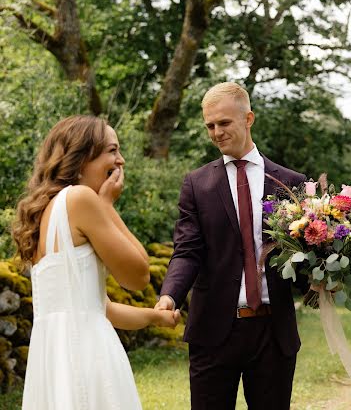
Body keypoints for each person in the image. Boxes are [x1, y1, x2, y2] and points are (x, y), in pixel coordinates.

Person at [155, 82, 306, 410]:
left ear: (248, 118)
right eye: (209, 125)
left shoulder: (291, 184)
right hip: (213, 331)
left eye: (224, 123)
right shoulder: (197, 184)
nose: (216, 132)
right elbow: (187, 250)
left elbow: (304, 254)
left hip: (273, 331)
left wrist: (328, 274)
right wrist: (169, 295)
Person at [13, 115, 180, 410]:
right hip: (88, 357)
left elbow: (99, 307)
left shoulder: (44, 214)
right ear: (81, 157)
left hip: (52, 363)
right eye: (112, 150)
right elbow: (138, 275)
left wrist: (154, 318)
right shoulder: (80, 199)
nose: (122, 160)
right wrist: (107, 206)